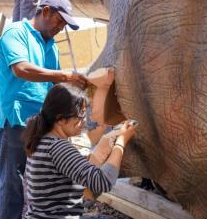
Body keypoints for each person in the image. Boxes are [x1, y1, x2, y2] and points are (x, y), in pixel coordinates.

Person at [0, 0, 87, 219]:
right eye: (59, 21)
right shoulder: (16, 33)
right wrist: (64, 75)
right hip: (17, 121)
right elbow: (22, 69)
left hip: (42, 123)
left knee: (42, 183)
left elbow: (55, 83)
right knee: (14, 184)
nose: (60, 27)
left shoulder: (51, 45)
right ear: (45, 12)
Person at [22, 83, 137, 219]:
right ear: (61, 119)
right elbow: (103, 182)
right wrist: (121, 142)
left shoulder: (41, 139)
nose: (83, 120)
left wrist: (102, 146)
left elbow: (71, 168)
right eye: (80, 115)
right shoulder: (58, 147)